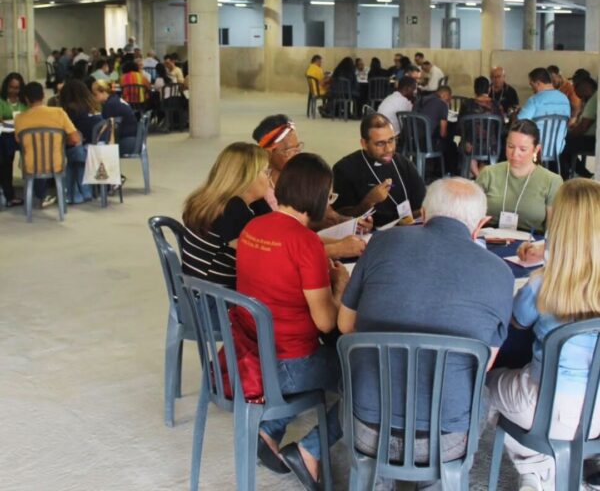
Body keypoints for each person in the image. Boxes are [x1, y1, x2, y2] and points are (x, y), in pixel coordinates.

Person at [338, 177, 514, 491]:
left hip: (368, 429)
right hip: (445, 440)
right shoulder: (501, 273)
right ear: (481, 225)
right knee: (481, 393)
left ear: (422, 213)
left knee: (360, 384)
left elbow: (345, 325)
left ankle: (375, 482)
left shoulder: (381, 242)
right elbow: (484, 363)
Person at [235, 153, 348, 489]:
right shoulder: (306, 242)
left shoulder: (252, 227)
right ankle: (310, 450)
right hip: (291, 363)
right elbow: (326, 323)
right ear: (317, 196)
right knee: (369, 381)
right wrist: (340, 287)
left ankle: (269, 431)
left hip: (256, 354)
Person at [487, 178, 600, 491]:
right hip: (597, 415)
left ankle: (534, 468)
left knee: (486, 384)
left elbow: (517, 323)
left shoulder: (544, 283)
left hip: (544, 408)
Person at [252, 114, 368, 260]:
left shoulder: (303, 174)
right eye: (289, 151)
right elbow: (280, 251)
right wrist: (337, 248)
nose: (296, 155)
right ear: (268, 153)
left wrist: (352, 222)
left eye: (298, 148)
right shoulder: (260, 190)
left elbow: (329, 214)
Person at [181, 142, 270, 290]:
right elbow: (260, 256)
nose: (269, 178)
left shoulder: (213, 198)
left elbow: (276, 226)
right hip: (216, 297)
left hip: (197, 289)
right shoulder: (231, 209)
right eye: (266, 172)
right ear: (248, 178)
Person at [332, 113, 426, 228]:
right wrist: (369, 201)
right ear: (364, 144)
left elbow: (422, 204)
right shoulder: (344, 169)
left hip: (407, 229)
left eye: (391, 140)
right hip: (370, 233)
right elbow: (339, 217)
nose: (389, 149)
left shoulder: (404, 164)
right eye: (380, 143)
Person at [476, 119, 563, 233]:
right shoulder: (488, 173)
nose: (515, 154)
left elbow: (553, 230)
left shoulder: (552, 181)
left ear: (536, 149)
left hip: (531, 241)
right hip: (489, 237)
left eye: (523, 149)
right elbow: (472, 217)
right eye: (510, 146)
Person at [14, 82, 80, 207]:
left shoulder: (19, 118)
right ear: (43, 95)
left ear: (26, 99)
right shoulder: (59, 113)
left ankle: (39, 195)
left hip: (31, 165)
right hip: (56, 164)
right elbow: (75, 139)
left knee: (31, 156)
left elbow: (19, 141)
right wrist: (60, 141)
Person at [60, 79, 103, 203]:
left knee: (71, 155)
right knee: (77, 157)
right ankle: (84, 192)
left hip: (81, 149)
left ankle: (72, 193)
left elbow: (70, 135)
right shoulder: (94, 106)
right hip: (97, 147)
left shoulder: (72, 110)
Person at [519, 67, 571, 157]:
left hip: (536, 148)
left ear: (538, 83)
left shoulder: (534, 100)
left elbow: (519, 122)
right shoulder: (565, 99)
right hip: (557, 149)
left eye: (532, 85)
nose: (532, 89)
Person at [459, 75, 503, 178]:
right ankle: (480, 178)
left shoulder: (466, 104)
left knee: (468, 148)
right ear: (489, 89)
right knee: (491, 146)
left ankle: (477, 176)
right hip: (491, 146)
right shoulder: (496, 105)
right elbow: (500, 127)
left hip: (470, 145)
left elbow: (459, 126)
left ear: (474, 89)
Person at [560, 76, 597, 179]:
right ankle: (584, 174)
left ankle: (565, 177)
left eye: (581, 94)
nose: (581, 98)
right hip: (592, 138)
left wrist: (568, 134)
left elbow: (583, 127)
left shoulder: (594, 99)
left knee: (560, 145)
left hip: (591, 140)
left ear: (586, 86)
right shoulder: (594, 97)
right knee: (565, 144)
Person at [0, 73, 27, 206]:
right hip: (6, 134)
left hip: (23, 133)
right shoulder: (2, 101)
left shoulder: (24, 101)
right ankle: (8, 194)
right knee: (5, 157)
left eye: (17, 88)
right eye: (11, 87)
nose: (13, 91)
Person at [92, 80, 139, 155]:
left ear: (103, 92)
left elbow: (105, 128)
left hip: (126, 142)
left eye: (95, 94)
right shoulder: (115, 99)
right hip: (134, 139)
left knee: (96, 147)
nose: (94, 97)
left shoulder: (110, 105)